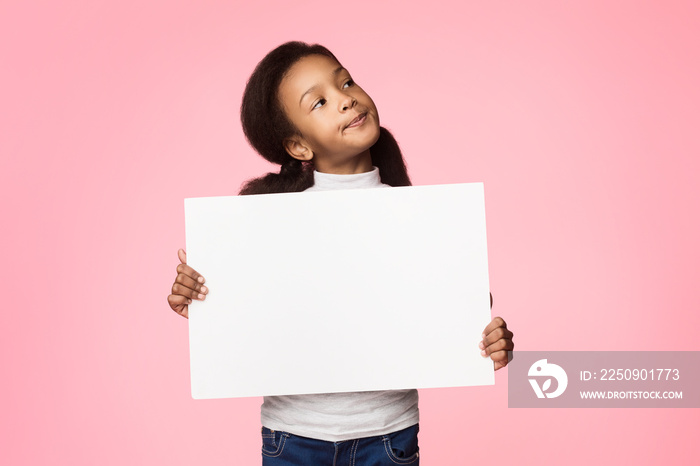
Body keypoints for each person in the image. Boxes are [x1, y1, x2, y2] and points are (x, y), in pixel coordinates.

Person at [167, 41, 515, 465]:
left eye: (346, 81)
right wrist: (204, 304)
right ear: (298, 147)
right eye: (319, 102)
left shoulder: (420, 219)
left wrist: (486, 341)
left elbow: (458, 319)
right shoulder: (265, 224)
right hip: (292, 437)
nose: (346, 98)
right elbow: (250, 320)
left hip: (388, 435)